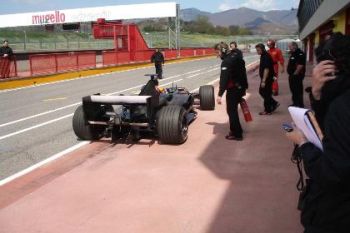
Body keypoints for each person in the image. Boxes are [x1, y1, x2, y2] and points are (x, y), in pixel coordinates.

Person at [286, 33, 350, 233]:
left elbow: (332, 172)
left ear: (329, 68)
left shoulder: (342, 107)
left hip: (336, 213)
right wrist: (317, 94)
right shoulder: (339, 100)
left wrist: (303, 143)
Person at [215, 42, 248, 141]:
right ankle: (237, 130)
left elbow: (224, 79)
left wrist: (220, 94)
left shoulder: (226, 62)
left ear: (223, 51)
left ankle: (237, 134)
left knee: (231, 111)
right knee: (233, 110)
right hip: (240, 87)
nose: (217, 54)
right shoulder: (236, 57)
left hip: (233, 89)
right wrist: (245, 87)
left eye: (218, 52)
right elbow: (243, 73)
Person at [255, 43, 279, 115]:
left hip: (267, 79)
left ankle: (268, 110)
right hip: (268, 78)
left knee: (265, 93)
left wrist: (263, 81)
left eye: (258, 50)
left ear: (262, 49)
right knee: (264, 93)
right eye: (257, 50)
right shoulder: (264, 55)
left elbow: (266, 69)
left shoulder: (265, 56)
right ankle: (274, 103)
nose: (257, 51)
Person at [287, 41, 306, 107]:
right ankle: (295, 103)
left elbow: (300, 65)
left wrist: (294, 75)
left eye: (290, 46)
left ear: (294, 46)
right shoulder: (293, 53)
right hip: (292, 75)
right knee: (293, 90)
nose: (289, 47)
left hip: (296, 76)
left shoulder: (300, 53)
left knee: (298, 90)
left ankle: (300, 105)